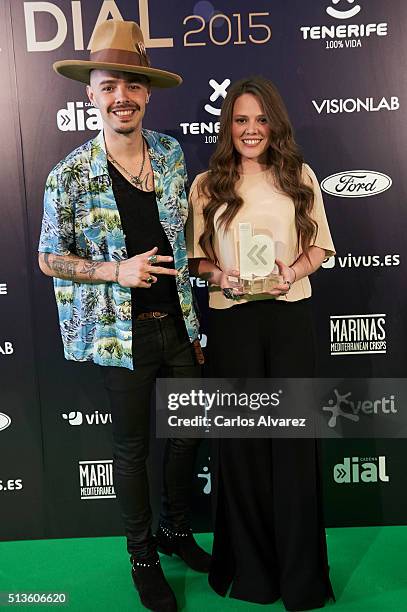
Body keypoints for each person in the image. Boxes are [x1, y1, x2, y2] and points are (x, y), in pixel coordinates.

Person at [38, 19, 210, 612]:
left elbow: (185, 242)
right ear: (91, 92)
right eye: (110, 86)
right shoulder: (68, 176)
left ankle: (175, 530)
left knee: (188, 436)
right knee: (133, 449)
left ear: (147, 94)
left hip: (179, 327)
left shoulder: (168, 154)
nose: (122, 98)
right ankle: (140, 555)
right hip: (121, 338)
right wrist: (116, 272)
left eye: (132, 86)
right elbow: (47, 258)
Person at [187, 76, 335, 611]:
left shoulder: (300, 176)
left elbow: (320, 246)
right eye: (241, 120)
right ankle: (250, 571)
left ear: (275, 123)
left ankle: (300, 576)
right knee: (243, 449)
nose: (251, 130)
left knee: (292, 447)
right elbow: (196, 260)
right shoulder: (207, 184)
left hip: (290, 320)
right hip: (234, 325)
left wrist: (292, 271)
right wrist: (221, 276)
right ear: (228, 125)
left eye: (261, 119)